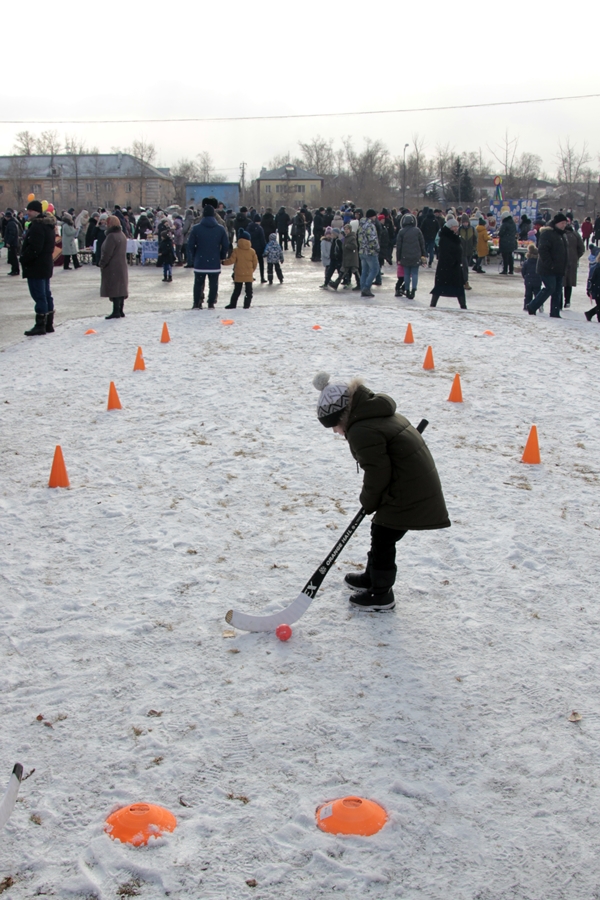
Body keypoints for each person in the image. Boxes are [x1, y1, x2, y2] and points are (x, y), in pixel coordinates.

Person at [312, 371, 450, 611]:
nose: (335, 432)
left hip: (409, 491)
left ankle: (382, 594)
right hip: (406, 484)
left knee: (384, 538)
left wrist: (368, 501)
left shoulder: (361, 430)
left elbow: (377, 473)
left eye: (334, 425)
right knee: (381, 532)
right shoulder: (375, 412)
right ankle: (372, 577)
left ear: (342, 415)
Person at [19, 200, 57, 336]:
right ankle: (48, 323)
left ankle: (41, 324)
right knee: (46, 294)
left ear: (35, 211)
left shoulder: (37, 227)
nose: (27, 213)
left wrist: (23, 258)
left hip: (36, 266)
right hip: (45, 264)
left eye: (29, 210)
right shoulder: (48, 226)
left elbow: (35, 248)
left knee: (39, 295)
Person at [187, 204, 229, 310]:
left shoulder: (196, 229)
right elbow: (225, 245)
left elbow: (190, 245)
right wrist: (221, 256)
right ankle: (211, 303)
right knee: (213, 284)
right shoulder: (220, 229)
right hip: (214, 261)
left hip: (200, 261)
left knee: (198, 283)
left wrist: (195, 255)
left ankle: (197, 302)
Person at [527, 213, 569, 318]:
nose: (564, 225)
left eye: (565, 223)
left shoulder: (562, 234)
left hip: (559, 268)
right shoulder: (547, 234)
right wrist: (550, 264)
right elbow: (543, 251)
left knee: (558, 290)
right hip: (547, 268)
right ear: (556, 223)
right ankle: (532, 306)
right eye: (562, 223)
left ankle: (555, 312)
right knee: (550, 288)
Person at [430, 217, 467, 309]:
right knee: (440, 287)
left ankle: (463, 305)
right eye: (454, 226)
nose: (456, 228)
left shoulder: (454, 237)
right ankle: (432, 304)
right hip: (447, 267)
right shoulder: (445, 238)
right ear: (450, 227)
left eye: (457, 226)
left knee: (458, 288)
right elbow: (445, 253)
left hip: (454, 267)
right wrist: (453, 261)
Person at [100, 215, 128, 319]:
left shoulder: (111, 236)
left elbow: (107, 252)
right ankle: (120, 310)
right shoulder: (122, 234)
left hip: (113, 266)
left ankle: (116, 311)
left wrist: (102, 263)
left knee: (115, 288)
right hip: (121, 265)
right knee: (120, 288)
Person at [222, 229, 258, 308]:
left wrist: (223, 262)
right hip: (248, 274)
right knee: (249, 292)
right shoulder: (252, 251)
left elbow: (231, 261)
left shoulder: (236, 251)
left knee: (237, 290)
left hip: (238, 274)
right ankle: (246, 305)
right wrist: (251, 271)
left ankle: (233, 304)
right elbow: (255, 263)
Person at [396, 213, 425, 300]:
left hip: (405, 256)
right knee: (415, 273)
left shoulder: (401, 232)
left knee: (407, 274)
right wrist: (423, 255)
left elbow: (399, 247)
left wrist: (398, 258)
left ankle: (407, 290)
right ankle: (414, 289)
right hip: (416, 255)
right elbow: (422, 244)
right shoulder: (417, 231)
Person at [357, 209, 380, 298]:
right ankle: (366, 287)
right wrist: (377, 248)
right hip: (370, 252)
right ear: (372, 216)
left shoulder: (361, 225)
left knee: (364, 271)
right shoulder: (370, 226)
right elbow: (372, 239)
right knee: (375, 269)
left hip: (362, 251)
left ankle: (363, 288)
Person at [563, 219, 585, 308]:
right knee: (569, 282)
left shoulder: (561, 235)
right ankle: (567, 301)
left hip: (562, 261)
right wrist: (576, 256)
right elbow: (582, 249)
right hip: (572, 261)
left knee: (560, 282)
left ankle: (558, 303)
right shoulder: (576, 235)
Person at [520, 244, 542, 311]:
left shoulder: (527, 262)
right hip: (537, 280)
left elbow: (523, 271)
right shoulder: (539, 262)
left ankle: (526, 306)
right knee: (538, 294)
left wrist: (525, 277)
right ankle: (539, 305)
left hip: (528, 280)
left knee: (528, 295)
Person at [458, 214, 476, 289]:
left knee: (466, 267)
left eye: (466, 222)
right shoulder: (459, 230)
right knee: (465, 267)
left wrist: (474, 248)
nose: (465, 223)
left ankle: (462, 281)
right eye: (464, 222)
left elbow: (475, 239)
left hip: (469, 251)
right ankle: (465, 282)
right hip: (462, 251)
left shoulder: (472, 229)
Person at [248, 214, 267, 282]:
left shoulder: (249, 227)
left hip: (250, 248)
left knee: (250, 263)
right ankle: (262, 277)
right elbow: (262, 239)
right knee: (261, 263)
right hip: (259, 249)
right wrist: (265, 248)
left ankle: (250, 276)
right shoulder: (259, 228)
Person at [340, 223, 360, 290]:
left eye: (347, 229)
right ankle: (337, 283)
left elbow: (354, 246)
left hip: (351, 257)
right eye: (345, 229)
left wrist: (346, 246)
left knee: (354, 270)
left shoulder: (352, 237)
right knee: (345, 270)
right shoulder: (346, 237)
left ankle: (359, 283)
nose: (346, 230)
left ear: (350, 230)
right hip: (347, 257)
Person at [584, 246, 600, 322]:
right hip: (597, 289)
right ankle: (590, 314)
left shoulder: (596, 267)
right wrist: (589, 289)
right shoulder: (597, 268)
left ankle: (589, 313)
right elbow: (591, 279)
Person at [3, 210, 21, 276]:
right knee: (13, 257)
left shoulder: (11, 223)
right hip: (13, 243)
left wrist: (8, 242)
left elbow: (12, 234)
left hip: (12, 243)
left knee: (13, 257)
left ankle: (15, 270)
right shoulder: (13, 222)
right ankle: (14, 270)